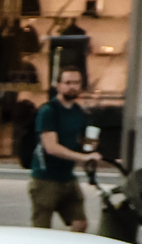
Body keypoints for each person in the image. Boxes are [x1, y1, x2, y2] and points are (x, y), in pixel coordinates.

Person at [28, 67, 98, 231]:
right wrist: (81, 158)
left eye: (76, 83)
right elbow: (51, 147)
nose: (72, 86)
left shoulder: (77, 111)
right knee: (41, 228)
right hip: (45, 178)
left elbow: (80, 140)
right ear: (57, 85)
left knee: (80, 222)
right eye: (67, 83)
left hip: (67, 177)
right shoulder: (49, 111)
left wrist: (89, 149)